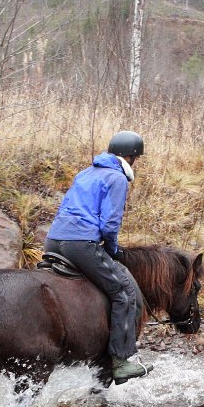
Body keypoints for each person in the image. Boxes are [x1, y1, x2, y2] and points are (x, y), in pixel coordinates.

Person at [44, 130, 152, 385]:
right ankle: (121, 361)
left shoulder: (86, 173)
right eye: (137, 158)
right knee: (123, 292)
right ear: (131, 156)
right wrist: (113, 250)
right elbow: (110, 224)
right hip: (80, 243)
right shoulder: (117, 178)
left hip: (53, 241)